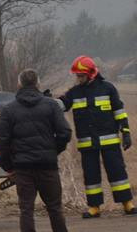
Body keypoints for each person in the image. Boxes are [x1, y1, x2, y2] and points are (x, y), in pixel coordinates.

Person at [0, 69, 79, 232]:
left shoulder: (9, 110)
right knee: (55, 208)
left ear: (19, 84)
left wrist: (8, 166)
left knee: (26, 209)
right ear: (38, 83)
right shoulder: (51, 105)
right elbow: (65, 132)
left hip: (22, 168)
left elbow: (3, 141)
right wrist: (53, 151)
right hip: (47, 166)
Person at [56, 56, 134, 218]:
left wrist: (125, 132)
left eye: (81, 76)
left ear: (91, 74)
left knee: (117, 172)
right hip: (87, 143)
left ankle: (127, 203)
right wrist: (48, 101)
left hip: (110, 141)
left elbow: (119, 111)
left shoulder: (108, 88)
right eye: (77, 76)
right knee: (91, 175)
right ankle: (94, 207)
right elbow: (61, 105)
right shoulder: (74, 92)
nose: (78, 79)